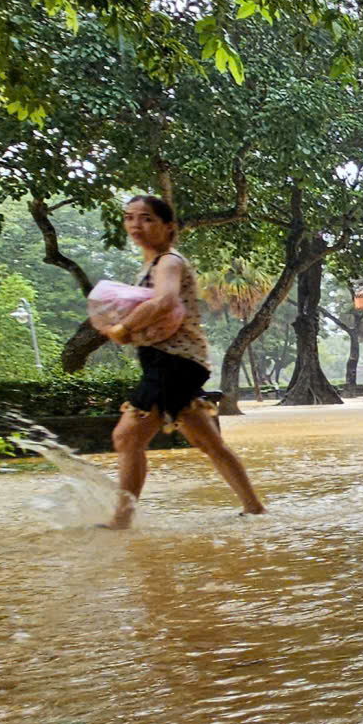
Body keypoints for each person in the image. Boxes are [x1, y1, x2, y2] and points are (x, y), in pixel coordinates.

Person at [105, 195, 265, 528]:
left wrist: (125, 327)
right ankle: (254, 508)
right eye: (129, 217)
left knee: (127, 437)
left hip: (174, 361)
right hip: (169, 361)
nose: (136, 224)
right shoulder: (150, 266)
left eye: (147, 218)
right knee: (208, 441)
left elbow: (164, 301)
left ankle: (121, 520)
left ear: (168, 227)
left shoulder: (169, 262)